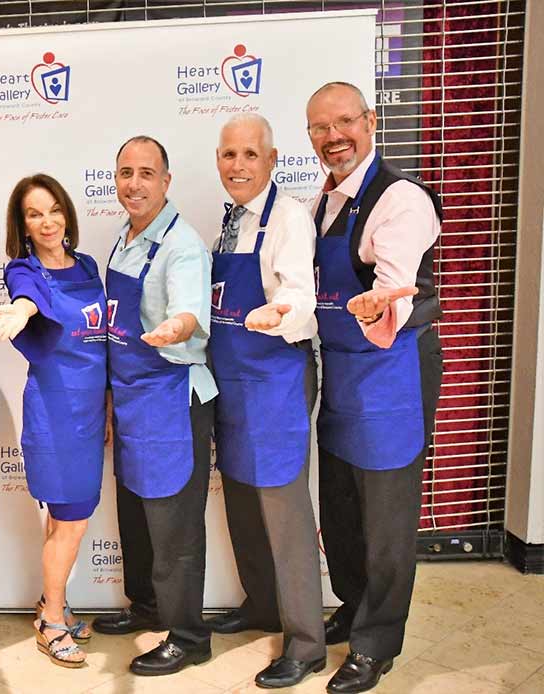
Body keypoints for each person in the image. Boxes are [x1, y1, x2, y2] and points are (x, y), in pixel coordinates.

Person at [307, 81, 443, 694]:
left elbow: (394, 277)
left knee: (386, 521)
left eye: (344, 123)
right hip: (342, 375)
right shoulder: (323, 202)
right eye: (320, 127)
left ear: (371, 120)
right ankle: (355, 604)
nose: (333, 136)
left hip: (390, 378)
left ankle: (377, 641)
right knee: (340, 511)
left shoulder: (400, 199)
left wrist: (381, 299)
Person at [207, 113, 326, 688]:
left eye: (250, 155)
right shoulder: (229, 223)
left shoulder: (289, 218)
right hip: (233, 383)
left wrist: (280, 312)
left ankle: (306, 641)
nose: (238, 166)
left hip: (274, 380)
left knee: (285, 513)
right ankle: (260, 605)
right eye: (229, 155)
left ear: (272, 160)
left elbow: (301, 294)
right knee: (242, 504)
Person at [92, 135, 216, 676]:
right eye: (125, 173)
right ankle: (147, 606)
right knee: (138, 516)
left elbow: (189, 308)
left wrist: (177, 326)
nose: (134, 184)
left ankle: (188, 635)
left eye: (146, 173)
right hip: (133, 400)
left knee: (175, 526)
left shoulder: (182, 245)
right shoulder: (124, 240)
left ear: (166, 182)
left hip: (172, 399)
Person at [0, 174, 108, 669]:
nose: (47, 221)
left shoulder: (88, 265)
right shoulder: (25, 270)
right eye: (34, 214)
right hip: (56, 413)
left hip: (92, 407)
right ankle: (53, 621)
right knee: (71, 522)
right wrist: (22, 308)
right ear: (23, 224)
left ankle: (49, 606)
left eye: (54, 209)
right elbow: (25, 293)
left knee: (67, 521)